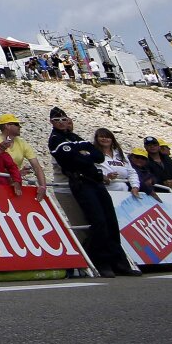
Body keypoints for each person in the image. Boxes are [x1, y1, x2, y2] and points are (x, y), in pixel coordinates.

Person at [47, 107, 134, 277]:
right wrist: (85, 156)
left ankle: (119, 262)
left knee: (110, 220)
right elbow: (72, 160)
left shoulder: (74, 138)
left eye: (65, 119)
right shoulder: (55, 140)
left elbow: (98, 155)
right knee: (98, 221)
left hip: (95, 180)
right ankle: (101, 262)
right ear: (52, 122)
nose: (63, 123)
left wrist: (84, 155)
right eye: (58, 120)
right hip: (81, 181)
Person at [0, 114, 47, 201]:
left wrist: (43, 186)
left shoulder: (22, 143)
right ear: (7, 125)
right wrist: (18, 173)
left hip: (15, 183)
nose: (20, 127)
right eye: (16, 124)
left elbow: (37, 167)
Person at [94, 128, 140, 197]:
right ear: (96, 139)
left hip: (123, 190)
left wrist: (135, 187)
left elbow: (131, 172)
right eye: (101, 137)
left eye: (107, 137)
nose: (104, 139)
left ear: (112, 139)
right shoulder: (92, 153)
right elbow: (90, 171)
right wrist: (106, 176)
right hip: (103, 188)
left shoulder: (120, 154)